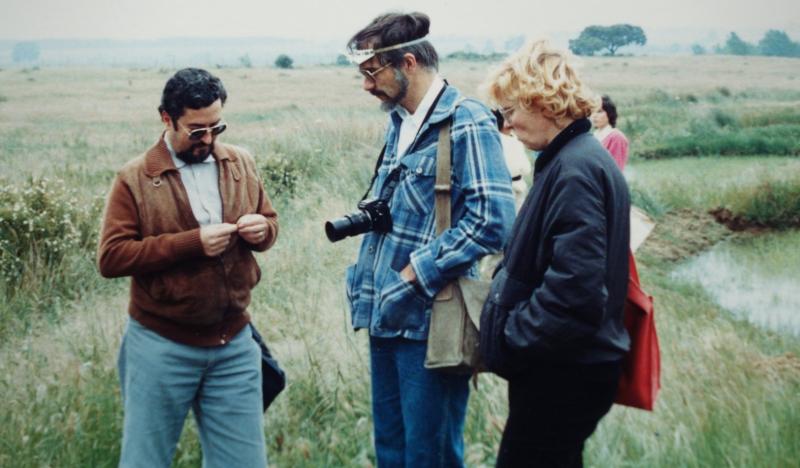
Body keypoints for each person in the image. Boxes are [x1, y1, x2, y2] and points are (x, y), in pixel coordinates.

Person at [343, 12, 516, 467]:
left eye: (372, 72)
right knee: (392, 454)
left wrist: (415, 273)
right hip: (385, 313)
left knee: (430, 457)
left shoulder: (468, 121)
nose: (366, 85)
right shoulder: (400, 122)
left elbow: (493, 220)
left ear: (409, 62)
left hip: (431, 324)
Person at [97, 68, 278, 468]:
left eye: (217, 126)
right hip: (160, 347)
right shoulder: (134, 178)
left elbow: (270, 223)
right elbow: (111, 257)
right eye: (197, 131)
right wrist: (191, 244)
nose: (209, 140)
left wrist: (262, 229)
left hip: (234, 346)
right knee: (145, 461)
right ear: (166, 118)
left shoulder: (240, 162)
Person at [481, 40, 631, 467]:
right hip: (568, 367)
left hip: (561, 372)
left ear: (541, 100)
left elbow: (576, 292)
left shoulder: (575, 169)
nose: (506, 126)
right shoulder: (573, 158)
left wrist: (513, 338)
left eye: (509, 112)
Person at [591, 95, 629, 170]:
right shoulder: (593, 136)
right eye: (592, 112)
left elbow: (616, 169)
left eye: (599, 111)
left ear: (609, 113)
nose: (594, 115)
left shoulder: (616, 137)